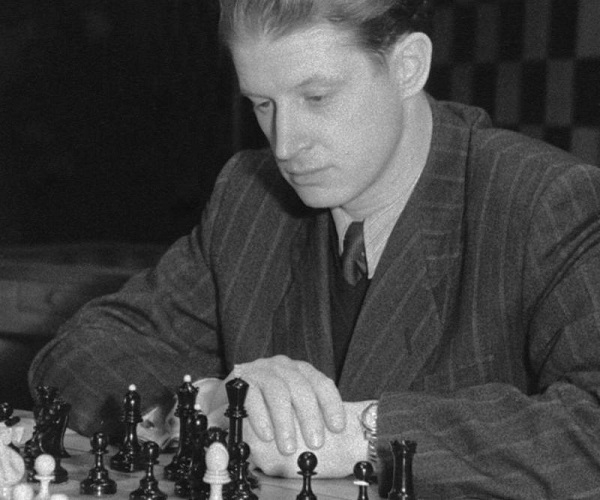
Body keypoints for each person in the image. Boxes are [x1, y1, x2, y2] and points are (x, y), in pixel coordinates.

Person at [28, 0, 600, 497]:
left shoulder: (542, 201)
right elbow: (82, 349)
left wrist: (359, 435)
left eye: (317, 96)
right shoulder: (249, 200)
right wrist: (206, 405)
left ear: (407, 66)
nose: (284, 144)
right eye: (262, 104)